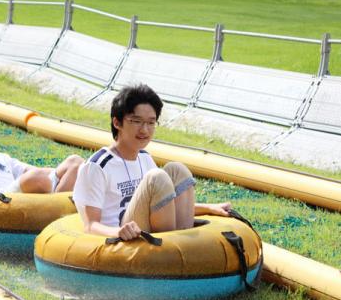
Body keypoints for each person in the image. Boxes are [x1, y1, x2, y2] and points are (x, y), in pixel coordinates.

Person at [73, 84, 232, 241]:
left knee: (177, 170)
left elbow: (164, 206)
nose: (144, 130)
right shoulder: (97, 166)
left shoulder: (144, 158)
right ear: (117, 123)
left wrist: (208, 208)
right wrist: (118, 232)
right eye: (136, 121)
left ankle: (183, 245)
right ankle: (169, 249)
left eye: (151, 123)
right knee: (157, 178)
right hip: (122, 238)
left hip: (145, 229)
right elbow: (90, 225)